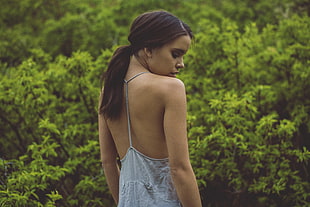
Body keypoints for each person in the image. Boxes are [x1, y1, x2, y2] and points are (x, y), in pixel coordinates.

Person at [98, 10, 202, 207]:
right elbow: (179, 169)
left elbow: (108, 162)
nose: (181, 64)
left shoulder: (108, 90)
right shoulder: (171, 88)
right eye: (176, 54)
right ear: (148, 49)